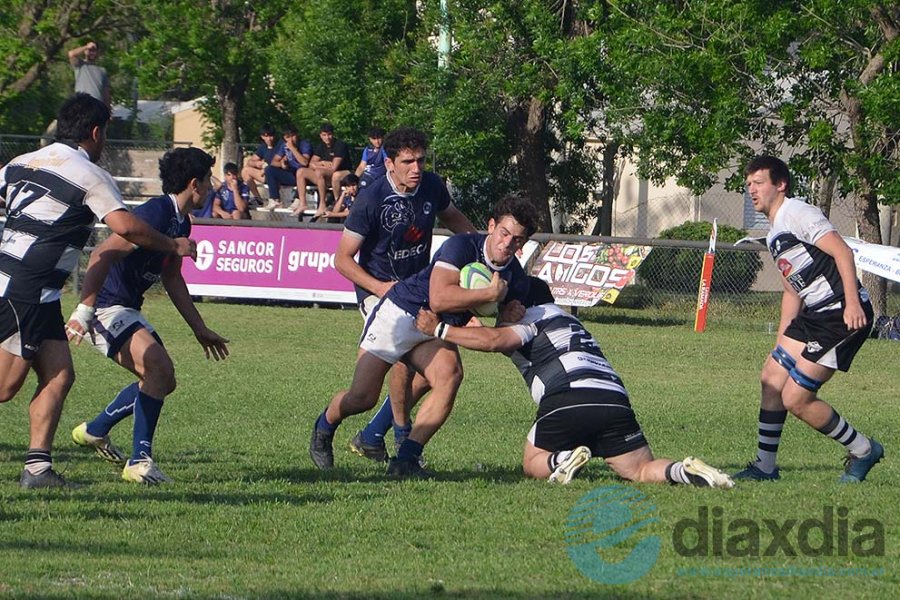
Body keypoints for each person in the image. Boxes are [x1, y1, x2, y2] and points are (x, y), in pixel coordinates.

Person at [0, 93, 196, 489]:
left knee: (59, 376)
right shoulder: (89, 174)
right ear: (94, 132)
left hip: (39, 291)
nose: (105, 141)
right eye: (105, 132)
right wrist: (172, 245)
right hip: (27, 287)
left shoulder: (18, 164)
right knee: (4, 387)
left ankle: (37, 470)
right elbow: (124, 226)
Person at [414, 277, 734, 487]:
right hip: (614, 400)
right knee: (639, 470)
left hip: (569, 398)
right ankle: (685, 471)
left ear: (523, 305)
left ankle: (563, 458)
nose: (502, 310)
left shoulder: (529, 321)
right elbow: (487, 335)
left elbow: (494, 340)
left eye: (507, 304)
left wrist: (439, 330)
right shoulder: (566, 318)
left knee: (532, 462)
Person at [310, 194, 539, 478]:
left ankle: (405, 459)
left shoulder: (516, 278)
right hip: (399, 313)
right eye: (504, 232)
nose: (507, 243)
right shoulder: (461, 246)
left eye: (517, 239)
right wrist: (488, 294)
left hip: (432, 327)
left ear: (524, 243)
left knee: (449, 375)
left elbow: (499, 331)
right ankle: (324, 427)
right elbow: (439, 298)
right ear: (491, 226)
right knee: (363, 398)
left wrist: (509, 316)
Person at [67, 147, 230, 485]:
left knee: (162, 379)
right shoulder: (156, 213)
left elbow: (172, 277)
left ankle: (95, 430)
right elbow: (103, 252)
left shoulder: (181, 221)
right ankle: (139, 461)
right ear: (194, 183)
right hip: (106, 309)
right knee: (158, 369)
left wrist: (199, 329)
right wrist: (85, 310)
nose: (211, 186)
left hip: (126, 310)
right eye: (208, 180)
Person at [734, 155, 882, 483]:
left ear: (781, 184)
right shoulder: (774, 233)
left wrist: (853, 303)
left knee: (795, 399)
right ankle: (765, 467)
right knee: (772, 376)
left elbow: (843, 252)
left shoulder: (798, 213)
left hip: (840, 315)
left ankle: (863, 450)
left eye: (758, 183)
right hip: (814, 313)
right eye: (748, 185)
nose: (752, 191)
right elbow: (792, 292)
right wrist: (781, 341)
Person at [333, 127, 475, 463]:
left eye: (421, 160)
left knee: (440, 375)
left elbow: (455, 219)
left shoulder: (431, 186)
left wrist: (481, 249)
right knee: (400, 364)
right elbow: (341, 259)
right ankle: (400, 437)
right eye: (408, 161)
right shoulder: (370, 198)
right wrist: (381, 289)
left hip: (420, 291)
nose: (416, 168)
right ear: (389, 162)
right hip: (379, 293)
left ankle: (372, 436)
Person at [297, 124, 352, 219]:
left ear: (333, 134)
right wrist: (322, 163)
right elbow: (311, 164)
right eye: (324, 135)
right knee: (301, 171)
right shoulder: (321, 146)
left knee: (324, 173)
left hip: (343, 174)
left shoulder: (340, 145)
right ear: (320, 135)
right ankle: (302, 203)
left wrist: (318, 166)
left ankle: (323, 204)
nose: (327, 137)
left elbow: (334, 168)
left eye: (329, 134)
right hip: (325, 176)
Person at [264, 126, 312, 210]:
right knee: (269, 169)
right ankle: (275, 199)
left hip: (304, 175)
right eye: (287, 137)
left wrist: (293, 149)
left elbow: (304, 162)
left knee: (301, 171)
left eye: (293, 136)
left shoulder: (305, 144)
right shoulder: (284, 146)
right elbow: (273, 161)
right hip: (291, 173)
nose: (291, 140)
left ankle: (298, 199)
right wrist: (282, 164)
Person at [241, 125, 278, 204]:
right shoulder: (263, 147)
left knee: (269, 170)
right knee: (245, 171)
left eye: (271, 136)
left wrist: (265, 169)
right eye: (266, 136)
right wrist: (257, 164)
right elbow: (250, 161)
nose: (269, 139)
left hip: (277, 175)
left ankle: (275, 200)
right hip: (265, 175)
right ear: (262, 137)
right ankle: (257, 198)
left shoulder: (279, 145)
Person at [67, 41, 110, 107]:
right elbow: (71, 54)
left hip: (97, 106)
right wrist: (86, 46)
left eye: (94, 50)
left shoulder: (102, 70)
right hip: (82, 104)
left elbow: (106, 93)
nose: (92, 53)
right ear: (85, 51)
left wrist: (108, 111)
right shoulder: (80, 65)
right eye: (90, 50)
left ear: (97, 53)